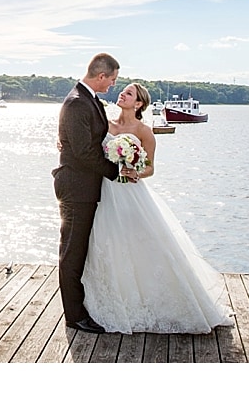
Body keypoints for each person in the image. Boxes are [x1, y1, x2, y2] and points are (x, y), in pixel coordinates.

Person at [81, 82, 234, 334]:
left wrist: (135, 171)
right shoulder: (105, 124)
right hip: (105, 190)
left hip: (130, 192)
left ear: (139, 103)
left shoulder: (144, 131)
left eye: (128, 93)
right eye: (123, 91)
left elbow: (150, 168)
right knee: (108, 242)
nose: (122, 94)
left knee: (140, 243)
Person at [52, 53, 132, 334]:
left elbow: (90, 143)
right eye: (112, 80)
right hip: (76, 188)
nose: (112, 85)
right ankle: (74, 316)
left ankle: (81, 307)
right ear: (101, 76)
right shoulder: (76, 103)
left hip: (86, 187)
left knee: (80, 250)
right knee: (72, 253)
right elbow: (85, 152)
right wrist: (116, 172)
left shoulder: (90, 100)